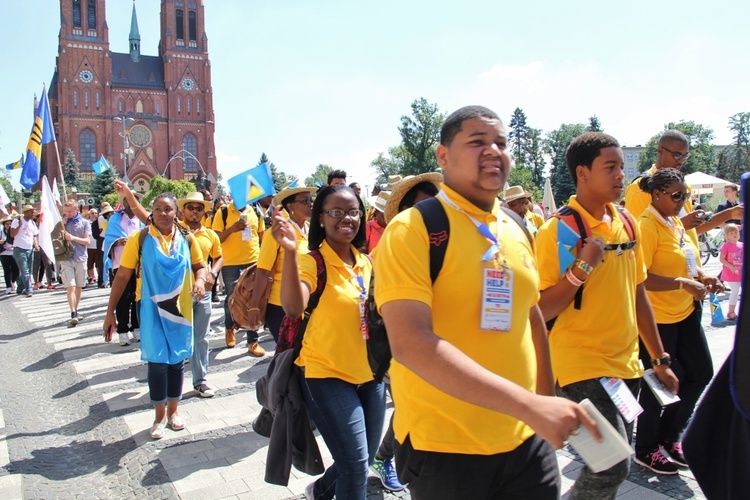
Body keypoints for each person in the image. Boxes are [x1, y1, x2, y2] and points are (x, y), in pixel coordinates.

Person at [375, 106, 598, 499]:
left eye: (501, 142)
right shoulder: (413, 229)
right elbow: (410, 344)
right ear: (443, 156)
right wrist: (529, 405)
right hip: (447, 448)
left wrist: (545, 404)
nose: (493, 151)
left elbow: (532, 318)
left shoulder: (516, 226)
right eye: (477, 142)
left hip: (526, 443)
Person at [535, 132, 679, 498]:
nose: (620, 175)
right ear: (583, 173)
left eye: (620, 166)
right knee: (612, 465)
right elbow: (540, 309)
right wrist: (582, 267)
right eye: (610, 167)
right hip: (580, 365)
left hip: (626, 367)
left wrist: (659, 358)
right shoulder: (560, 230)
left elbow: (638, 291)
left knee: (612, 466)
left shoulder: (628, 223)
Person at [273, 185, 384, 500]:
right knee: (354, 464)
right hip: (327, 374)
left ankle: (318, 492)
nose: (346, 218)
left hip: (371, 376)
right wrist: (292, 253)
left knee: (361, 459)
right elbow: (294, 308)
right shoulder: (312, 262)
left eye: (352, 212)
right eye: (336, 212)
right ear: (320, 218)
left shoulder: (366, 261)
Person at [633, 168, 717, 474]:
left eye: (686, 195)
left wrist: (704, 278)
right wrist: (683, 283)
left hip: (686, 312)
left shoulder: (672, 222)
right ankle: (645, 449)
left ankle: (669, 436)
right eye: (676, 195)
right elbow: (639, 278)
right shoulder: (646, 225)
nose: (683, 201)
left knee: (701, 372)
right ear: (657, 195)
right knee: (660, 386)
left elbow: (687, 260)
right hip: (658, 320)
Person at [103, 192, 206, 440]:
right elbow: (122, 276)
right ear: (152, 212)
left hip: (180, 310)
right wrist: (110, 312)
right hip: (150, 309)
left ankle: (174, 412)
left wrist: (201, 280)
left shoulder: (187, 238)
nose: (162, 213)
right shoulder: (138, 239)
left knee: (176, 362)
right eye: (158, 209)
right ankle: (159, 416)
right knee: (158, 363)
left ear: (176, 213)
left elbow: (200, 266)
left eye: (168, 209)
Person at [368, 172, 442, 493]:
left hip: (437, 356)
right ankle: (386, 459)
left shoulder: (446, 244)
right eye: (424, 209)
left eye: (437, 207)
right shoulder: (389, 249)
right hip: (401, 357)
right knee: (411, 415)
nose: (433, 215)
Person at [624, 130, 743, 247]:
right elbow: (638, 238)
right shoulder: (640, 188)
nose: (681, 161)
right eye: (676, 155)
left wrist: (730, 214)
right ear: (660, 151)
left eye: (685, 156)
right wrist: (681, 225)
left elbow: (693, 230)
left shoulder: (683, 186)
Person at [247, 182, 317, 344]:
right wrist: (254, 306)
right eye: (305, 201)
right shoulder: (276, 233)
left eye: (311, 200)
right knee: (289, 357)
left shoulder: (312, 230)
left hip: (309, 304)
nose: (311, 204)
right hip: (281, 307)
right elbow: (263, 271)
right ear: (290, 206)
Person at [212, 195, 266, 356]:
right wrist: (232, 229)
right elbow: (215, 239)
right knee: (232, 299)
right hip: (230, 263)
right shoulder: (223, 212)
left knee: (253, 300)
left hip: (253, 261)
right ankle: (230, 328)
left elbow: (263, 238)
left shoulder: (256, 211)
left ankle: (253, 340)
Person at [103, 192, 145, 345]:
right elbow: (108, 239)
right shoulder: (115, 219)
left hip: (138, 264)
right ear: (124, 202)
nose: (130, 203)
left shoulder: (142, 219)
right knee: (122, 298)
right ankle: (122, 330)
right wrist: (117, 241)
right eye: (127, 200)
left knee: (137, 296)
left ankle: (136, 327)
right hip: (120, 264)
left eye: (134, 200)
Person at [60, 199, 92, 327]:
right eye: (66, 211)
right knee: (71, 286)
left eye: (70, 211)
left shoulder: (84, 223)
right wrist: (60, 227)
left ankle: (76, 309)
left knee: (78, 286)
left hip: (80, 257)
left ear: (76, 210)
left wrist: (73, 238)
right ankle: (73, 312)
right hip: (66, 258)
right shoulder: (63, 223)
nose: (67, 213)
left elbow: (87, 241)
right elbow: (54, 238)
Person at [10, 205, 39, 297]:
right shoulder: (17, 221)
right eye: (31, 212)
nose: (33, 213)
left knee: (28, 270)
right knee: (25, 270)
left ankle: (20, 288)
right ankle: (29, 289)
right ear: (25, 213)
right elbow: (12, 234)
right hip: (19, 249)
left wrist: (36, 244)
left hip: (30, 249)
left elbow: (34, 235)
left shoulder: (32, 223)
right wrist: (19, 226)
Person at [720, 223, 743, 320]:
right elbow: (722, 259)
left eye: (736, 232)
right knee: (735, 290)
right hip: (731, 273)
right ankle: (731, 311)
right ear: (727, 236)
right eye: (731, 233)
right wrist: (731, 267)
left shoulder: (742, 245)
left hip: (741, 273)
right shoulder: (726, 246)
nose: (735, 234)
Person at [96, 203, 114, 288]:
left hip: (116, 243)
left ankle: (113, 280)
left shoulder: (116, 220)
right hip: (108, 243)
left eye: (111, 213)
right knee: (107, 261)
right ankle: (106, 280)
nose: (110, 215)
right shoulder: (105, 223)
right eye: (108, 214)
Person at [0, 215, 19, 294]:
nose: (8, 225)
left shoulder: (14, 231)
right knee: (6, 270)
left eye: (10, 223)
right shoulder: (1, 231)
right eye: (7, 224)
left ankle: (13, 281)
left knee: (15, 269)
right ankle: (8, 286)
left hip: (13, 252)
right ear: (4, 225)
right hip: (4, 253)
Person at [86, 208, 99, 284]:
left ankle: (98, 276)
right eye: (92, 213)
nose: (94, 215)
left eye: (95, 213)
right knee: (90, 263)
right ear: (89, 215)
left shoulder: (99, 222)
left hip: (97, 246)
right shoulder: (87, 223)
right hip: (89, 246)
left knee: (98, 263)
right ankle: (91, 277)